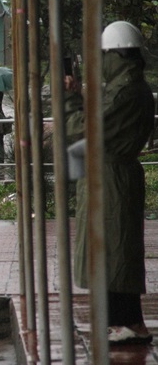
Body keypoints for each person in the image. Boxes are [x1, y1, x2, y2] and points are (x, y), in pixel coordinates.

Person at [64, 21, 155, 344]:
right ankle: (125, 321)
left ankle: (124, 322)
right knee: (114, 251)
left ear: (115, 56)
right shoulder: (130, 88)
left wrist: (69, 100)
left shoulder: (125, 92)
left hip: (111, 179)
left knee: (113, 252)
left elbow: (81, 128)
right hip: (111, 176)